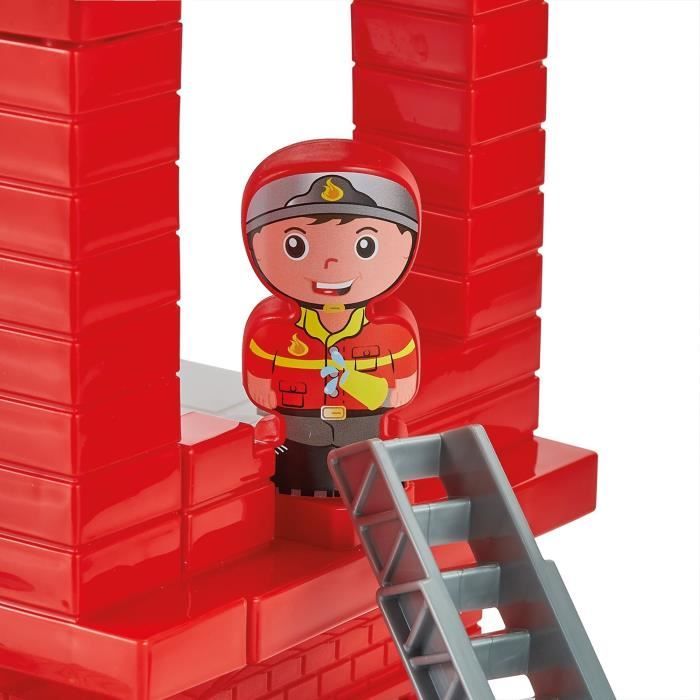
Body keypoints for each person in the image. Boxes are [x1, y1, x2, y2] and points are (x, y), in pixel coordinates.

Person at [242, 139, 421, 496]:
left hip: (364, 430)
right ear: (258, 244)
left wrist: (356, 382)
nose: (331, 263)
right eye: (296, 245)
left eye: (365, 245)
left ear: (405, 245)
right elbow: (259, 385)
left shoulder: (395, 334)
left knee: (367, 491)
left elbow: (401, 390)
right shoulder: (269, 332)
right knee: (295, 486)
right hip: (299, 432)